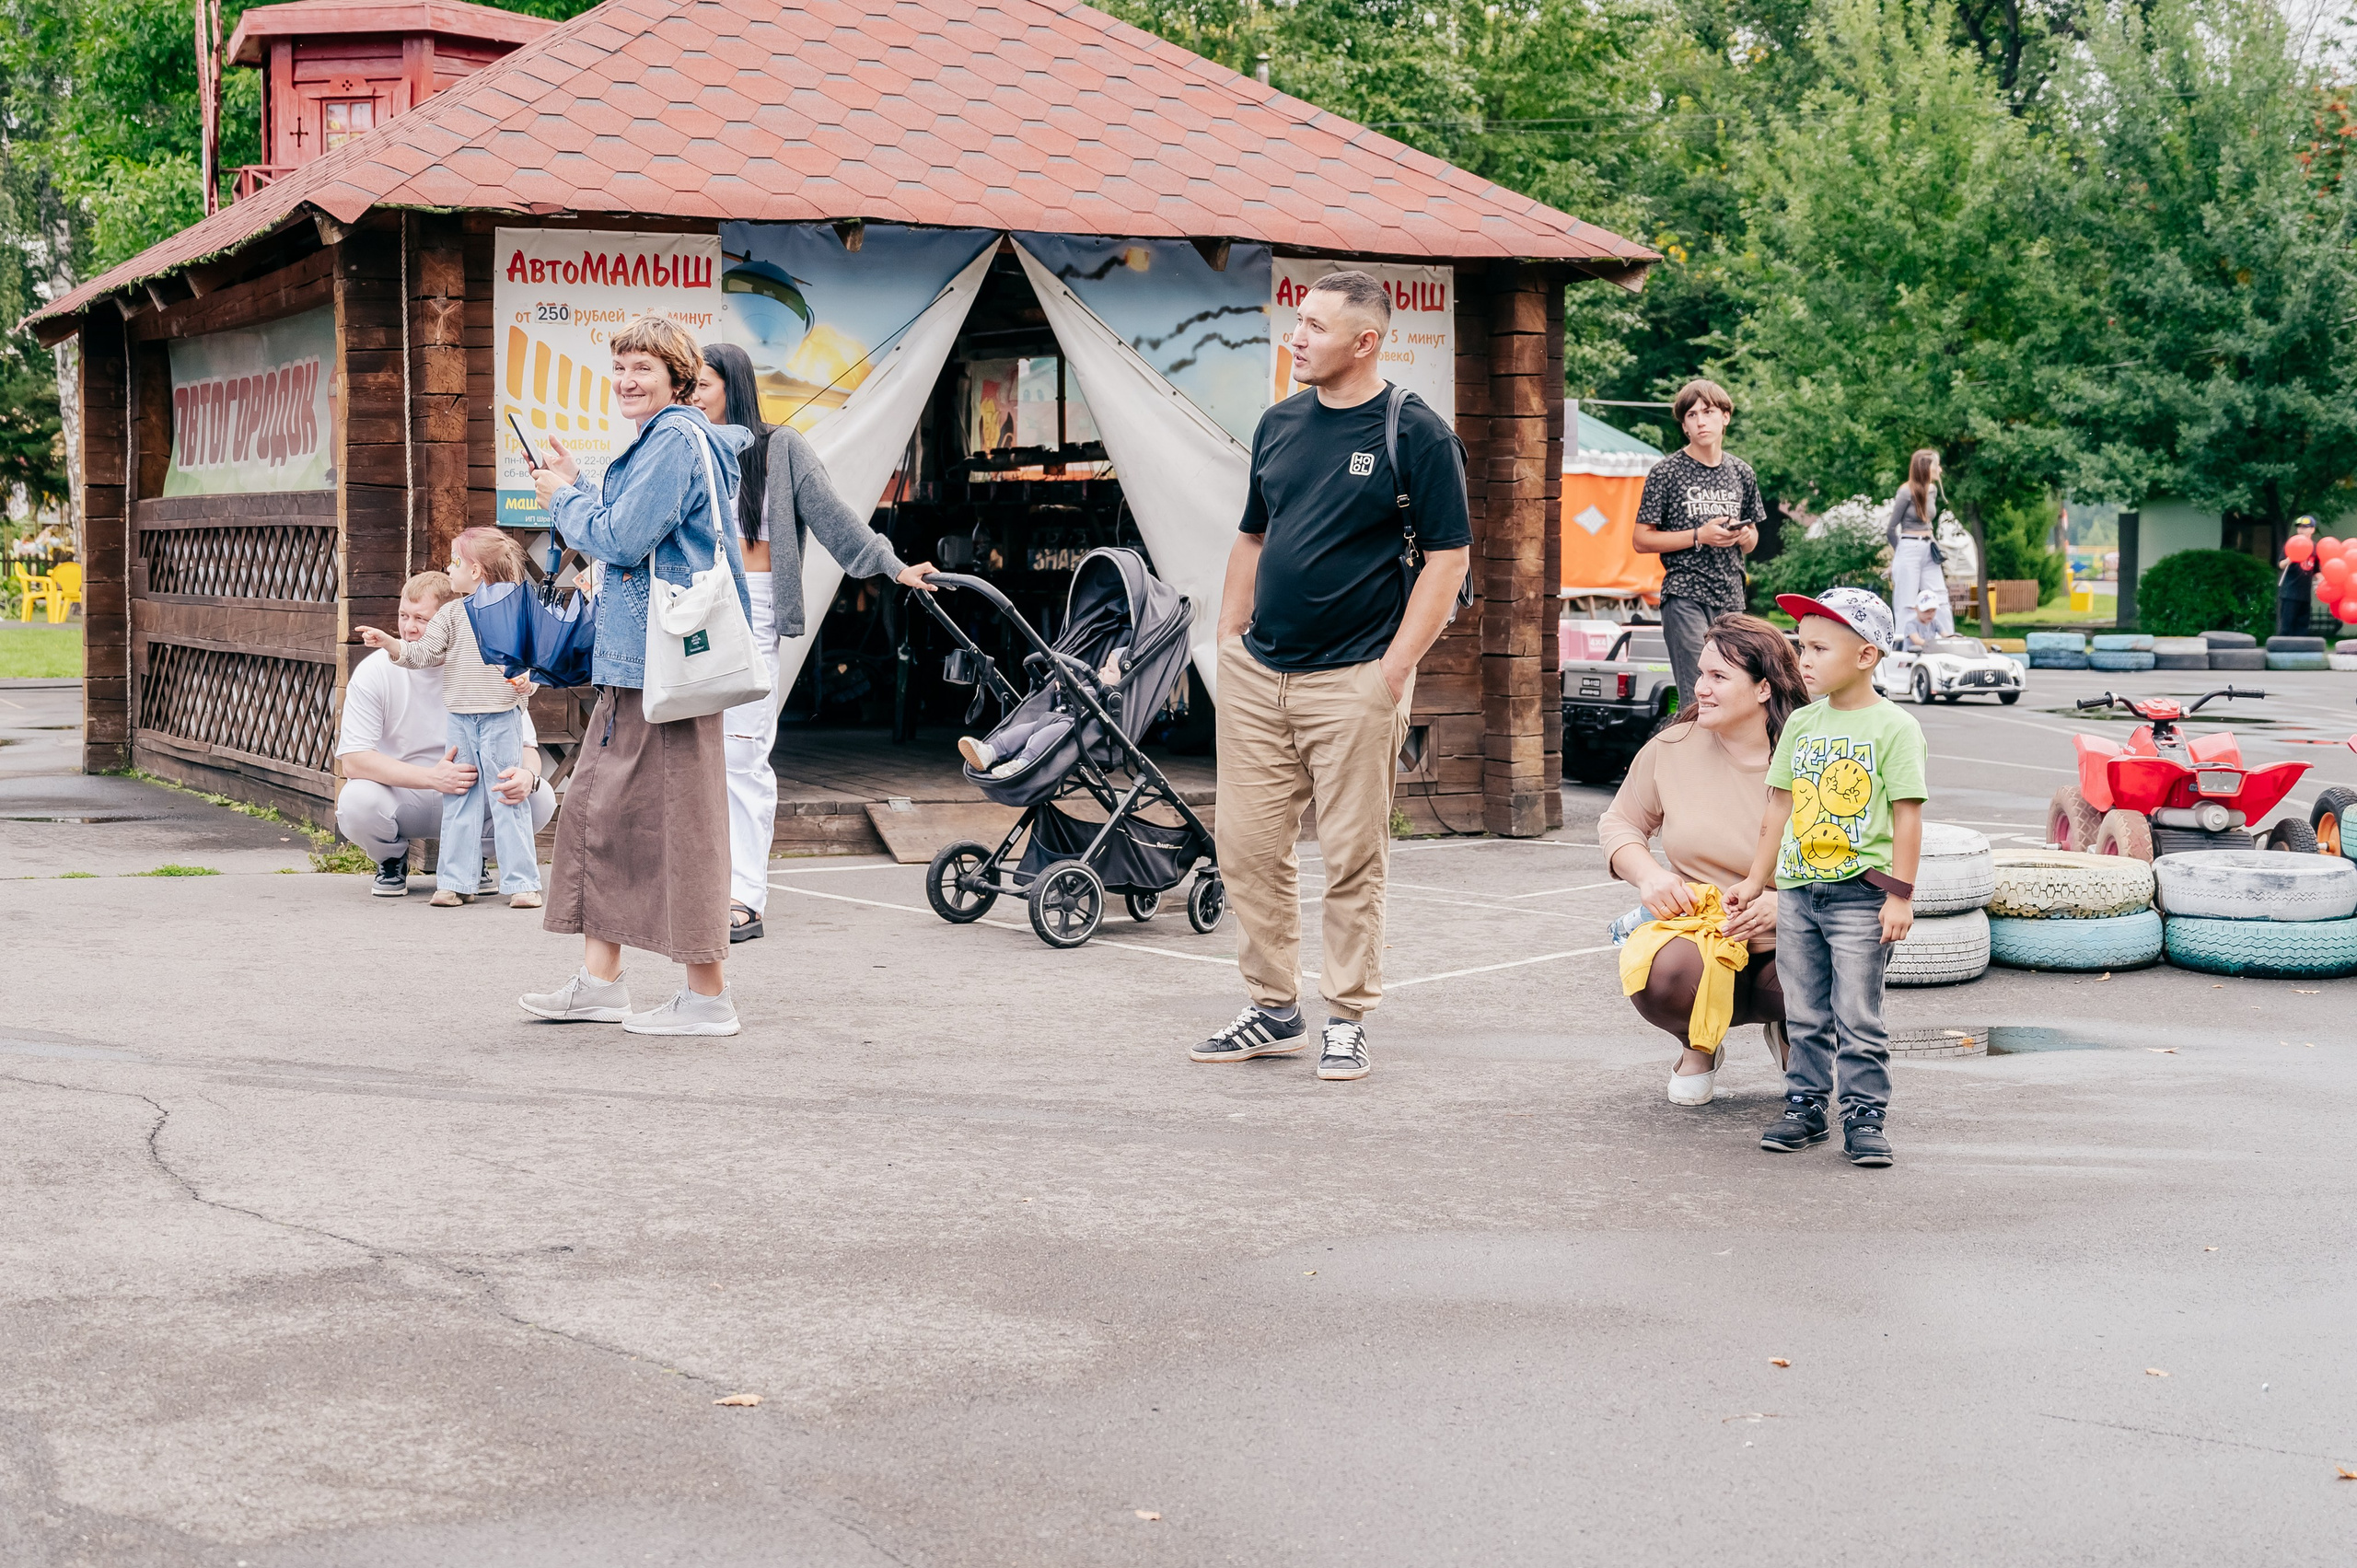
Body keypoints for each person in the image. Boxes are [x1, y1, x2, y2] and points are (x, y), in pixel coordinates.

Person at [1189, 270, 1470, 1083]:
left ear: (1366, 340)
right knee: (1246, 849)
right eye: (1297, 322)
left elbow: (1448, 560)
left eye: (1314, 325)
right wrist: (1229, 635)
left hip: (1356, 678)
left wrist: (1393, 670)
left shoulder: (1413, 431)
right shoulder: (1279, 423)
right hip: (1258, 674)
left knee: (1351, 855)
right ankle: (1273, 1007)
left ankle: (1345, 1016)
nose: (1298, 337)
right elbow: (1251, 536)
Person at [517, 316, 753, 1037]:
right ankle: (600, 981)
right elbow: (637, 528)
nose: (626, 380)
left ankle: (708, 997)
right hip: (643, 663)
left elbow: (620, 538)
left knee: (679, 826)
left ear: (678, 377)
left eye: (642, 368)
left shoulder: (676, 438)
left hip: (661, 662)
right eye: (619, 367)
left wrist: (563, 498)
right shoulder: (673, 439)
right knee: (604, 814)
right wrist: (582, 485)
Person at [686, 343, 935, 943]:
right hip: (694, 611)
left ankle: (745, 895)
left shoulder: (782, 448)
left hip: (758, 608)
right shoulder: (687, 447)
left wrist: (892, 566)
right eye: (688, 386)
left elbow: (833, 516)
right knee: (698, 755)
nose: (693, 395)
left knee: (744, 753)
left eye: (703, 384)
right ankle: (705, 883)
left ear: (733, 386)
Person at [1728, 587, 1927, 1168]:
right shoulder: (1802, 725)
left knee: (1857, 1011)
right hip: (1798, 894)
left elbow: (1907, 816)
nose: (1803, 660)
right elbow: (1778, 809)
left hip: (1862, 898)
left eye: (1818, 648)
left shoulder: (1895, 728)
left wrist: (1901, 897)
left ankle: (1865, 1115)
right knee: (1804, 1009)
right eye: (1800, 647)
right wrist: (1755, 881)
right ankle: (1805, 1106)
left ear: (1866, 656)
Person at [1600, 614, 1809, 1105]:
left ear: (1764, 688)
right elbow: (1620, 823)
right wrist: (1648, 875)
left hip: (1789, 938)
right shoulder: (1671, 747)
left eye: (1719, 677)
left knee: (1833, 968)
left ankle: (1792, 1030)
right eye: (1700, 674)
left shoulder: (1815, 756)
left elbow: (1859, 860)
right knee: (1663, 975)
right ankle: (1698, 1044)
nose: (1701, 689)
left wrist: (1788, 906)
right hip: (1702, 934)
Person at [335, 569, 555, 897]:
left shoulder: (489, 666)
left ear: (451, 623)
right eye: (403, 615)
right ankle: (392, 861)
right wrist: (432, 778)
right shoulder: (376, 670)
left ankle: (473, 861)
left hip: (474, 792)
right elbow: (354, 761)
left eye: (421, 619)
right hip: (405, 793)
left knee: (539, 796)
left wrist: (527, 775)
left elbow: (526, 748)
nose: (409, 628)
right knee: (355, 801)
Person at [1632, 380, 1766, 710]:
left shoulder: (1741, 472)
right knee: (1698, 692)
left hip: (1731, 595)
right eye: (1692, 415)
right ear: (1684, 426)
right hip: (1684, 593)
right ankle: (1690, 759)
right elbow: (1640, 539)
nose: (1701, 421)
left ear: (1725, 418)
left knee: (1734, 689)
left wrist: (1746, 536)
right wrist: (1698, 535)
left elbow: (1752, 538)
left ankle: (1729, 760)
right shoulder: (1666, 472)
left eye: (1708, 412)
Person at [1886, 449, 1953, 638]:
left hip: (1928, 547)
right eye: (1935, 465)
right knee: (1906, 603)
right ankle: (1904, 648)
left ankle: (1948, 641)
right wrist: (1900, 557)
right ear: (1924, 468)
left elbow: (1927, 519)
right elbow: (1890, 530)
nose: (1939, 469)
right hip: (1908, 547)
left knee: (1940, 598)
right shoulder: (1905, 492)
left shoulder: (1931, 490)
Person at [2278, 514, 2321, 637]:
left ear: (2312, 529)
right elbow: (2280, 564)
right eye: (2299, 527)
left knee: (2302, 626)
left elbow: (2316, 570)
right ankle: (2283, 654)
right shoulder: (2292, 543)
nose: (2301, 530)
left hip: (2305, 594)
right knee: (2287, 627)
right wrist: (2289, 559)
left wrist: (2324, 581)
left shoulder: (2315, 547)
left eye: (2305, 527)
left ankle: (2299, 654)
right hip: (2290, 593)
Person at [1900, 587, 1945, 654]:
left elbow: (1945, 635)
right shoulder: (1911, 625)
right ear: (1916, 609)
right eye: (1926, 611)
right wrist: (1936, 645)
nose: (1930, 614)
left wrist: (1956, 639)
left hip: (1927, 655)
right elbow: (1917, 641)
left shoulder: (1935, 622)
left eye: (1933, 610)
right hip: (1910, 658)